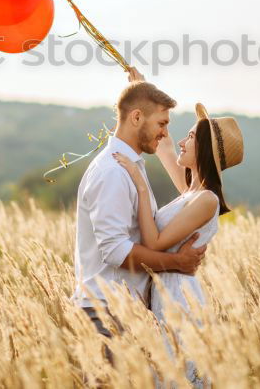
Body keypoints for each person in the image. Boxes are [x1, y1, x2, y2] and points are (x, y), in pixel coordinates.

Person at [72, 67, 207, 366]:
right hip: (105, 310)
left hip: (121, 308)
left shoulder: (129, 165)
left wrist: (143, 90)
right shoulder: (112, 172)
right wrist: (178, 263)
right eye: (161, 123)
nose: (164, 132)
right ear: (136, 118)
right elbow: (115, 250)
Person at [113, 96, 244, 388]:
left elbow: (154, 242)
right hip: (166, 294)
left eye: (192, 136)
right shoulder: (189, 192)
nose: (183, 140)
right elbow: (165, 145)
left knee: (175, 376)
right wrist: (139, 92)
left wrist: (140, 183)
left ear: (206, 151)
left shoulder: (207, 200)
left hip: (180, 300)